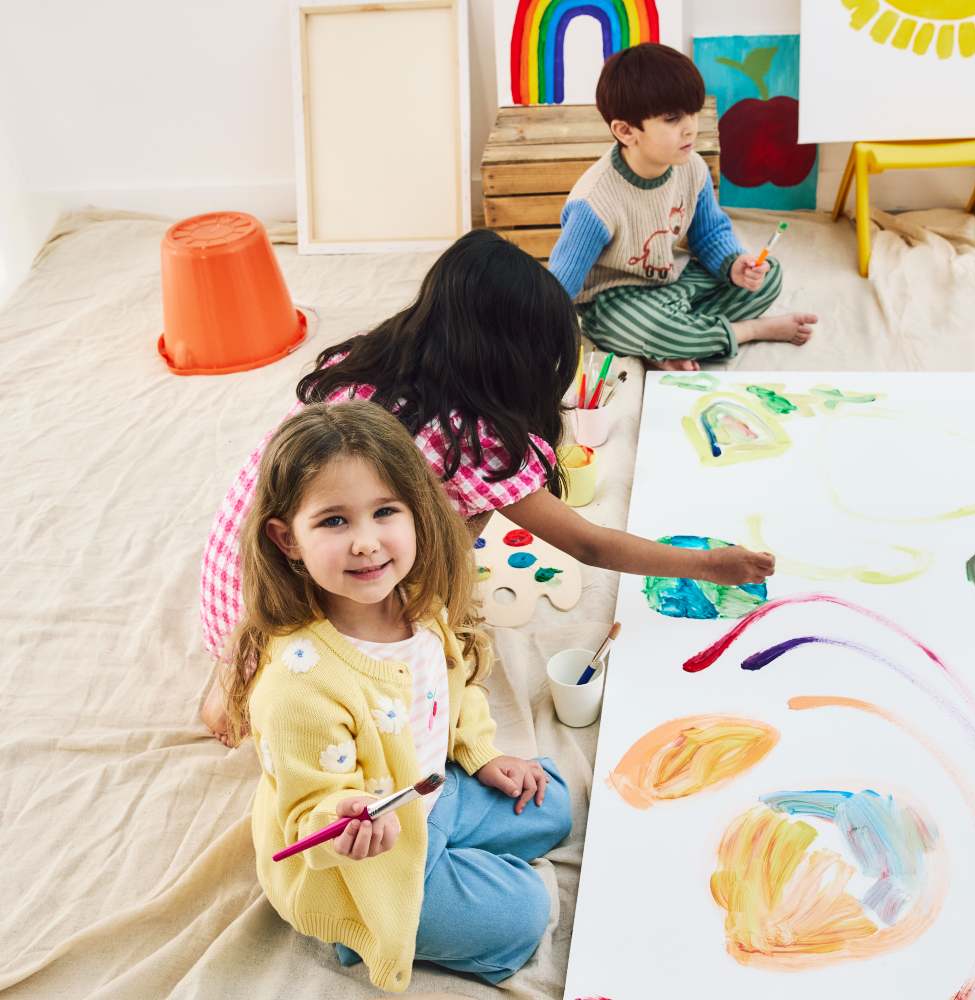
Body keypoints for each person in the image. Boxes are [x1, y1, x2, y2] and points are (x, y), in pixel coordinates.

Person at [201, 229, 774, 741]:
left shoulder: (367, 359)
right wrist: (707, 565)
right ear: (513, 360)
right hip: (314, 629)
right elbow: (590, 544)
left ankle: (237, 671)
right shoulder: (472, 444)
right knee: (462, 533)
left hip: (247, 582)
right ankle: (257, 682)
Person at [225, 400, 572, 992]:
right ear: (287, 540)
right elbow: (309, 809)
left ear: (417, 513)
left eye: (384, 511)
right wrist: (342, 826)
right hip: (359, 858)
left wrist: (482, 754)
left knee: (554, 801)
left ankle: (449, 861)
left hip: (430, 787)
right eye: (333, 521)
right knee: (523, 914)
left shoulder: (421, 604)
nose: (366, 542)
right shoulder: (297, 687)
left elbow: (453, 690)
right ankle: (355, 928)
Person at [548, 43, 818, 372]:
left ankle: (669, 340)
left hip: (673, 279)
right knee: (633, 324)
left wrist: (734, 266)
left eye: (693, 112)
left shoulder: (691, 167)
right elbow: (561, 285)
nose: (690, 127)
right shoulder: (595, 201)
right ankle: (749, 331)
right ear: (626, 131)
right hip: (617, 298)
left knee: (768, 276)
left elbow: (710, 232)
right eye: (673, 119)